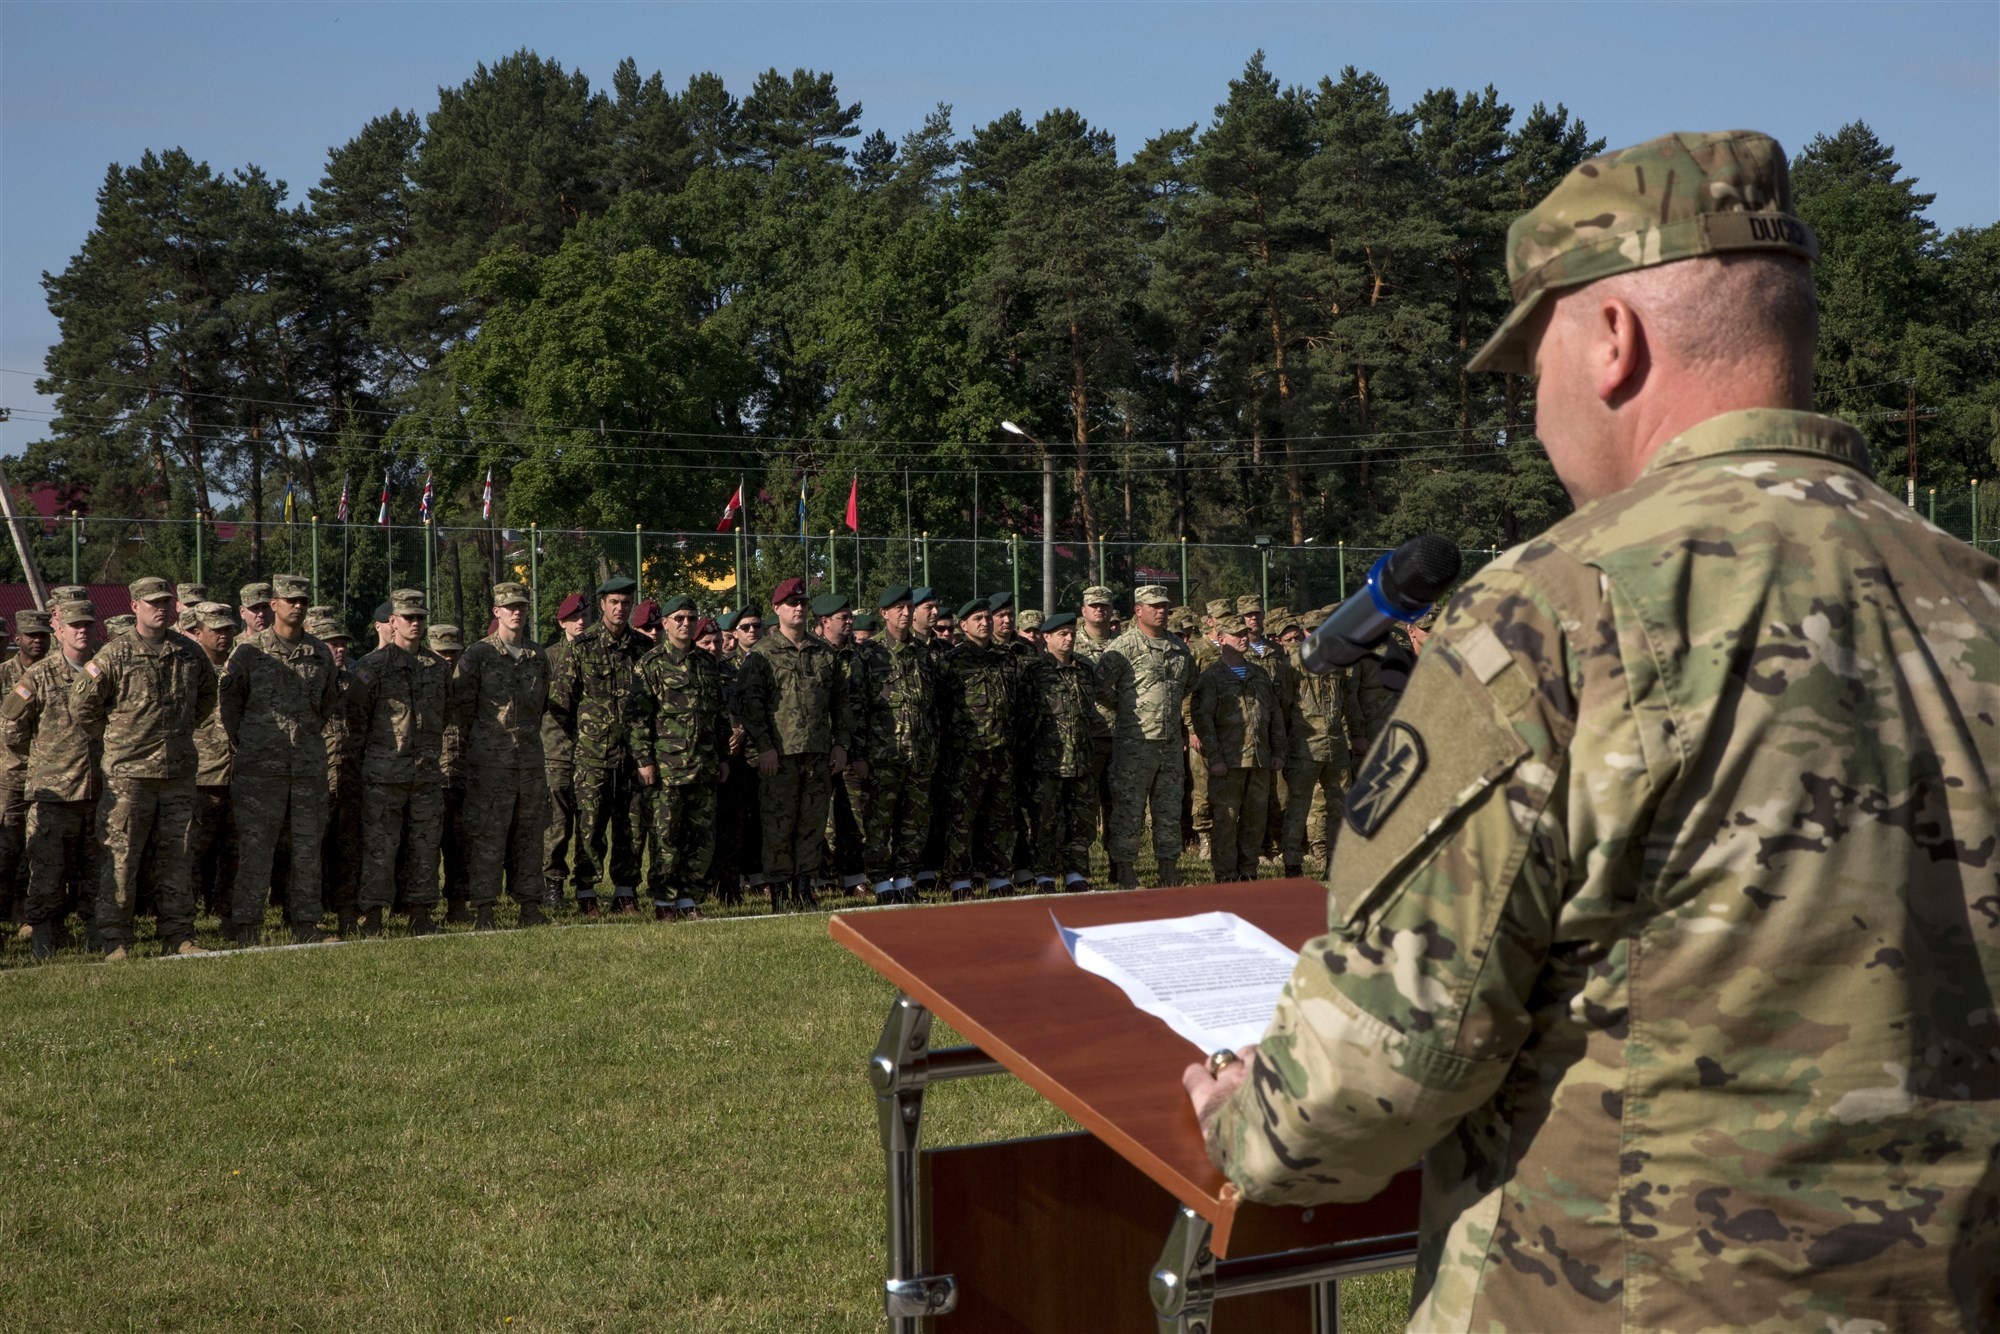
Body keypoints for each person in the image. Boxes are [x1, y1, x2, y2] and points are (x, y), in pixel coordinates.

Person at [1186, 130, 2000, 1332]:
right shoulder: (1975, 594)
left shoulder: (1560, 608)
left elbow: (1378, 1064)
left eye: (1534, 362)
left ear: (1611, 340)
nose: (1533, 410)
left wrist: (1246, 1114)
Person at [73, 576, 218, 959]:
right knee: (120, 858)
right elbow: (83, 706)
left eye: (165, 601)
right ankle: (115, 937)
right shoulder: (115, 653)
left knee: (178, 857)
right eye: (152, 602)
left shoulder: (188, 651)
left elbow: (207, 694)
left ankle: (178, 934)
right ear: (135, 605)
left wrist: (183, 726)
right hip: (129, 775)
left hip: (177, 773)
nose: (161, 607)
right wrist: (118, 738)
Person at [218, 573, 339, 946]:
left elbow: (326, 704)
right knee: (256, 849)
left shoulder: (319, 653)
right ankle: (247, 926)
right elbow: (229, 707)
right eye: (291, 600)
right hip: (259, 770)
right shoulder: (249, 652)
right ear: (274, 605)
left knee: (306, 849)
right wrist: (254, 742)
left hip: (306, 769)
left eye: (303, 600)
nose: (298, 606)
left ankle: (306, 922)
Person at [737, 577, 851, 910]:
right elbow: (750, 707)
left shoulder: (823, 652)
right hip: (780, 756)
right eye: (791, 604)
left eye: (803, 603)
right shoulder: (762, 654)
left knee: (811, 825)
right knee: (777, 825)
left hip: (816, 754)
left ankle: (804, 887)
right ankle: (780, 891)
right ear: (777, 610)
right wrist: (764, 747)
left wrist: (841, 744)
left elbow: (840, 703)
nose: (799, 608)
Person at [346, 590, 450, 935]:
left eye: (421, 617)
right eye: (409, 617)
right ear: (393, 621)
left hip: (425, 773)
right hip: (384, 773)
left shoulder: (436, 668)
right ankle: (372, 913)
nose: (416, 623)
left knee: (424, 846)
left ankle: (419, 913)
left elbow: (445, 712)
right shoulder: (372, 667)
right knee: (380, 847)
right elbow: (356, 718)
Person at [8, 599, 106, 959]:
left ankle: (98, 933)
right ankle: (45, 935)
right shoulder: (40, 675)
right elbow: (12, 727)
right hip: (54, 794)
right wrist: (39, 764)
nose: (82, 631)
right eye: (75, 625)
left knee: (98, 869)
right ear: (59, 631)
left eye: (88, 625)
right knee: (47, 870)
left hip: (99, 789)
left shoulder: (105, 669)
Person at [548, 576, 648, 915]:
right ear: (602, 605)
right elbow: (561, 704)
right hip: (593, 756)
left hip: (633, 756)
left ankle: (625, 891)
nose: (620, 608)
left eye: (625, 602)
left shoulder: (643, 650)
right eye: (614, 602)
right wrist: (586, 738)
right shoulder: (582, 647)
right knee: (589, 826)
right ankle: (587, 892)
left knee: (631, 826)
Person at [452, 582, 550, 928]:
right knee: (488, 836)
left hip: (530, 763)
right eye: (509, 607)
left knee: (530, 836)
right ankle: (485, 908)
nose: (517, 612)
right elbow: (462, 706)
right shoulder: (478, 655)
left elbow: (540, 707)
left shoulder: (537, 657)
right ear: (496, 612)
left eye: (521, 606)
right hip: (490, 764)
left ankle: (530, 906)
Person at [628, 595, 727, 921]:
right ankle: (664, 902)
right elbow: (638, 719)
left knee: (701, 839)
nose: (686, 623)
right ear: (666, 623)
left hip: (704, 766)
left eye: (691, 617)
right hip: (667, 768)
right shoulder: (650, 664)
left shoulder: (706, 664)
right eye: (680, 618)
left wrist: (723, 757)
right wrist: (644, 761)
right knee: (665, 838)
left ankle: (689, 900)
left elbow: (718, 716)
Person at [1098, 586, 1195, 890]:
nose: (1161, 611)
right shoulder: (1123, 647)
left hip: (1168, 744)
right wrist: (1128, 709)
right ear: (1138, 610)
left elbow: (1187, 685)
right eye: (1154, 606)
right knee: (1129, 809)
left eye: (1165, 606)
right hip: (1134, 743)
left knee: (1168, 810)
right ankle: (1126, 870)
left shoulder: (1179, 648)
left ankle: (1168, 869)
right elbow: (1100, 687)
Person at [850, 586, 938, 904]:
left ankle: (905, 878)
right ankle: (882, 882)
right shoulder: (868, 654)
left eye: (908, 607)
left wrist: (933, 749)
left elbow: (933, 707)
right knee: (879, 823)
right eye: (897, 608)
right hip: (882, 755)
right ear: (884, 614)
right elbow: (856, 709)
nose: (904, 612)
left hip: (920, 754)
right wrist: (858, 755)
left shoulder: (924, 653)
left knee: (915, 822)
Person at [1187, 612, 1283, 883]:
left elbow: (1273, 714)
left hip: (1260, 759)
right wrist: (1214, 757)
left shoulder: (1259, 673)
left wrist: (1277, 751)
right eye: (1236, 635)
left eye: (1244, 634)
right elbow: (1203, 720)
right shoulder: (1211, 677)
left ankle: (1248, 869)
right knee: (1227, 820)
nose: (1243, 639)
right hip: (1228, 761)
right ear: (1221, 640)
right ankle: (1226, 872)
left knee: (1255, 818)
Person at [935, 599, 1018, 897]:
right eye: (977, 618)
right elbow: (940, 710)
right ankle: (959, 880)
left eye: (987, 617)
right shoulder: (952, 660)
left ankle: (999, 877)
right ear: (963, 625)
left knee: (1001, 817)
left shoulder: (1005, 658)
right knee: (962, 818)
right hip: (966, 754)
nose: (985, 622)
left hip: (1001, 752)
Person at [1277, 607, 1361, 879]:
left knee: (1341, 807)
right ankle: (1292, 864)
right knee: (1298, 807)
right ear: (1304, 632)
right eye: (1312, 630)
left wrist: (1357, 735)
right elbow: (1283, 707)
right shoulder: (1292, 664)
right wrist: (1284, 743)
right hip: (1304, 747)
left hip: (1336, 746)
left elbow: (1350, 703)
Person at [1026, 612, 1095, 892]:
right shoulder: (1035, 672)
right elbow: (1026, 717)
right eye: (1062, 634)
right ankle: (1044, 873)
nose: (1069, 639)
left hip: (1080, 758)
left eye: (1071, 634)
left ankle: (1075, 872)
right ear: (1047, 638)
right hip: (1048, 760)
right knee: (1045, 820)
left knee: (1079, 820)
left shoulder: (1085, 670)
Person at [309, 608, 364, 934]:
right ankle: (308, 914)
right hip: (316, 778)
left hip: (349, 777)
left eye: (342, 643)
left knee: (348, 849)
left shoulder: (356, 679)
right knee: (310, 852)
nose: (340, 648)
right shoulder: (308, 679)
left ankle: (347, 912)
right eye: (332, 643)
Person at [185, 603, 237, 920]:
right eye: (216, 629)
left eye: (228, 629)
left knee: (234, 852)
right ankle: (186, 914)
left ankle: (224, 910)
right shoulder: (188, 669)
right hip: (201, 778)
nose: (223, 635)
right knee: (191, 853)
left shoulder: (241, 668)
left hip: (237, 777)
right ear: (198, 632)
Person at [0, 609, 50, 930]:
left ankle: (27, 913)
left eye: (43, 634)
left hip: (47, 776)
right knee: (7, 849)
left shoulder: (56, 672)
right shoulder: (3, 675)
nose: (37, 640)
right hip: (10, 774)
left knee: (38, 850)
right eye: (30, 635)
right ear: (17, 639)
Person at [540, 591, 588, 911]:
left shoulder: (596, 653)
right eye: (574, 618)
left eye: (584, 617)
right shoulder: (548, 658)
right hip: (556, 750)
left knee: (590, 823)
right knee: (557, 824)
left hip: (591, 751)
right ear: (562, 623)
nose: (581, 622)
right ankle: (552, 885)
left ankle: (587, 886)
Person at [712, 607, 762, 906]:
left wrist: (743, 731)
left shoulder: (759, 664)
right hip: (724, 757)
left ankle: (754, 877)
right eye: (746, 627)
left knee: (752, 820)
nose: (753, 631)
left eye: (757, 625)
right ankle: (724, 880)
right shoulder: (724, 668)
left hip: (755, 752)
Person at [1070, 586, 1120, 847]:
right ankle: (1080, 864)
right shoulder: (1071, 644)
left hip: (1122, 736)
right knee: (1085, 804)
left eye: (1104, 606)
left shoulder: (1124, 644)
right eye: (1094, 606)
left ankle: (1118, 863)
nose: (1099, 610)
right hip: (1087, 737)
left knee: (1118, 804)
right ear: (1084, 611)